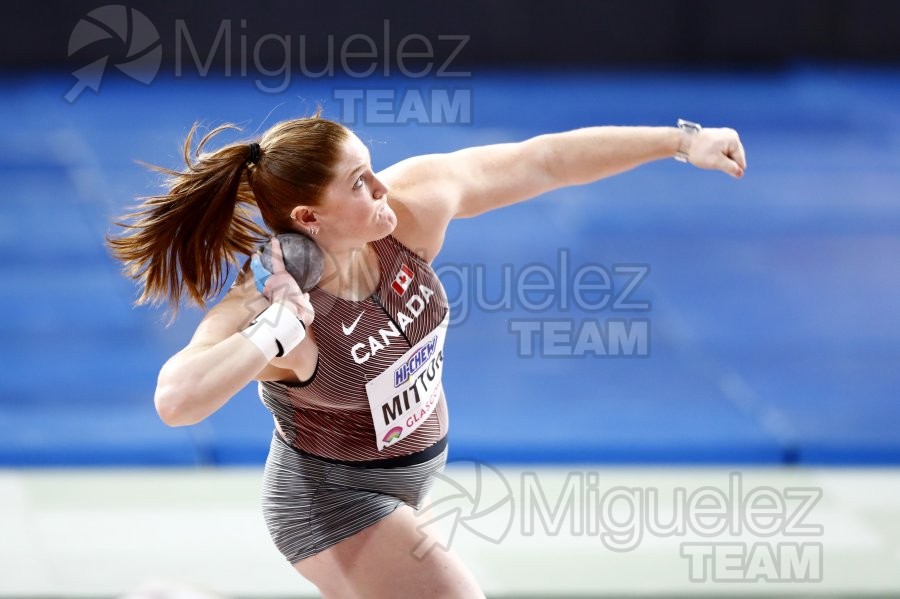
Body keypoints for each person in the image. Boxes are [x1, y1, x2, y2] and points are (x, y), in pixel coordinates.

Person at [108, 112, 746, 598]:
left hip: (409, 480)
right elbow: (175, 401)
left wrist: (678, 141)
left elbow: (544, 161)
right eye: (360, 182)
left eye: (371, 166)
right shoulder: (276, 308)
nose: (383, 185)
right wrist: (264, 338)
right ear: (310, 215)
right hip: (331, 499)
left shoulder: (407, 215)